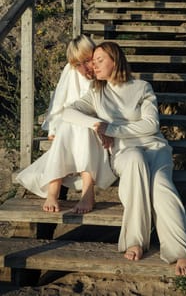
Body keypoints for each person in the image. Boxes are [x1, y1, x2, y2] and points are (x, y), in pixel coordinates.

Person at [61, 41, 186, 276]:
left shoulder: (142, 87)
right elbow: (68, 112)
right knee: (134, 158)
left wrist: (111, 129)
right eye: (92, 62)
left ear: (115, 60)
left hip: (155, 148)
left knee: (161, 186)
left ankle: (180, 249)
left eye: (99, 60)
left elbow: (151, 124)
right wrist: (97, 125)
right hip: (125, 153)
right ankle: (135, 239)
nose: (93, 66)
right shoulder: (96, 93)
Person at [16, 35, 116, 213]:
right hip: (70, 122)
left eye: (87, 61)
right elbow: (59, 101)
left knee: (82, 127)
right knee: (69, 125)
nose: (84, 68)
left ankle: (85, 193)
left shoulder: (104, 69)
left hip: (95, 126)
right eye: (78, 64)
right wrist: (53, 128)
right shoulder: (70, 71)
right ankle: (55, 191)